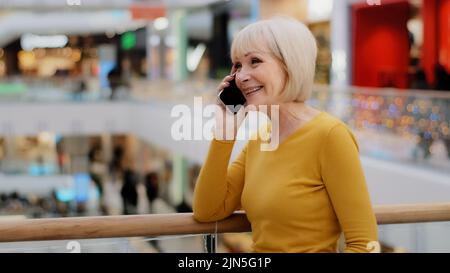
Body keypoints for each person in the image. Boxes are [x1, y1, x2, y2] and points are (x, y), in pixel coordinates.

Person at [193, 16, 378, 253]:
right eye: (238, 65)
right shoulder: (260, 140)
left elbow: (365, 245)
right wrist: (224, 135)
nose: (240, 76)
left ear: (290, 64)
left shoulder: (330, 136)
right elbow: (208, 210)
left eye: (255, 61)